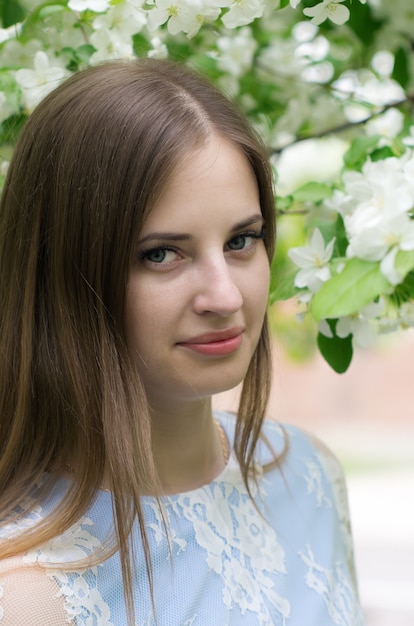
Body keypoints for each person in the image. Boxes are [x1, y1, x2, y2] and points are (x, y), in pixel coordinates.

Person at [0, 58, 364, 626]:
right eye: (162, 254)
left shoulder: (310, 476)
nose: (225, 296)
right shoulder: (25, 593)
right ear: (64, 274)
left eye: (242, 239)